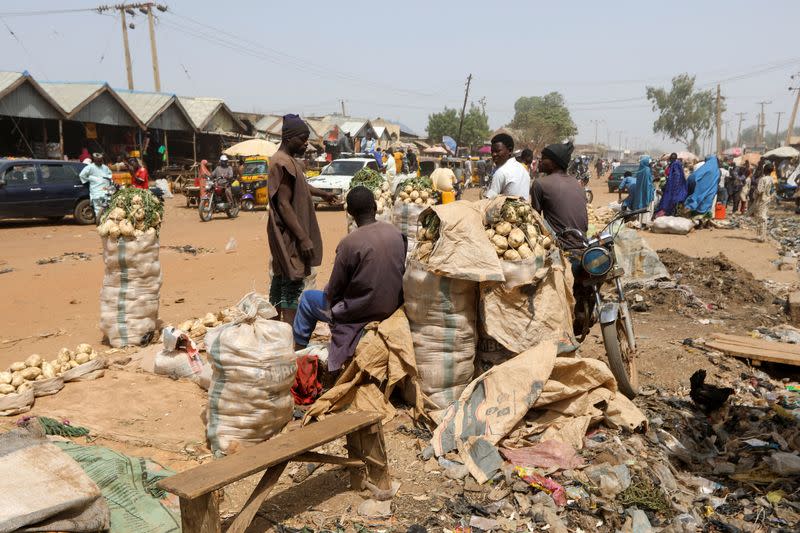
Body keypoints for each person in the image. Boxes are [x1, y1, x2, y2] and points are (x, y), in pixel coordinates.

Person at [293, 186, 407, 370]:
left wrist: (331, 296)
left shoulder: (348, 244)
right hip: (392, 307)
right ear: (375, 206)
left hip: (360, 311)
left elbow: (334, 289)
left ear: (350, 213)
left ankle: (298, 355)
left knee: (307, 300)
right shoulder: (396, 233)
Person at [268, 114, 338, 325]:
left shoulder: (287, 161)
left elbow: (298, 187)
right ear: (288, 138)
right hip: (289, 233)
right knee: (292, 278)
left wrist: (322, 194)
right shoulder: (282, 162)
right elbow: (283, 203)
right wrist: (303, 238)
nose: (306, 143)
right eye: (302, 138)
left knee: (281, 277)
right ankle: (287, 332)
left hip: (287, 231)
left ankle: (275, 327)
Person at [531, 141, 588, 250]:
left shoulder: (540, 184)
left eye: (544, 158)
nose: (540, 161)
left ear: (554, 163)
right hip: (583, 243)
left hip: (561, 246)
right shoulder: (575, 182)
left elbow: (535, 220)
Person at [484, 133, 530, 200]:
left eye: (498, 151)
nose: (494, 154)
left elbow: (488, 202)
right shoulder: (523, 170)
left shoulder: (501, 172)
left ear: (510, 150)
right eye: (492, 151)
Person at [79, 153, 113, 220]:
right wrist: (90, 179)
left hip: (106, 191)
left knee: (107, 207)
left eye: (101, 161)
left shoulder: (105, 167)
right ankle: (99, 221)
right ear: (94, 160)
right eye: (98, 161)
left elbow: (110, 175)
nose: (100, 162)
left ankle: (106, 221)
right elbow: (82, 175)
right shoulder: (89, 167)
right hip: (96, 191)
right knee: (98, 208)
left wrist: (108, 180)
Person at [655, 153, 687, 217]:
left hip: (674, 185)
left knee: (670, 199)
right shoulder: (675, 164)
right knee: (672, 199)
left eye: (672, 158)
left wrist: (675, 186)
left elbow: (677, 175)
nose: (671, 159)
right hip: (673, 184)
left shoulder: (675, 164)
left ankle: (671, 212)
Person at [751, 162, 774, 242]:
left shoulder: (763, 179)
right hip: (767, 199)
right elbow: (772, 190)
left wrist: (754, 194)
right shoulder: (771, 179)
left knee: (761, 217)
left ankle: (761, 237)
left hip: (761, 200)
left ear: (764, 170)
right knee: (763, 216)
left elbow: (759, 190)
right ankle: (762, 236)